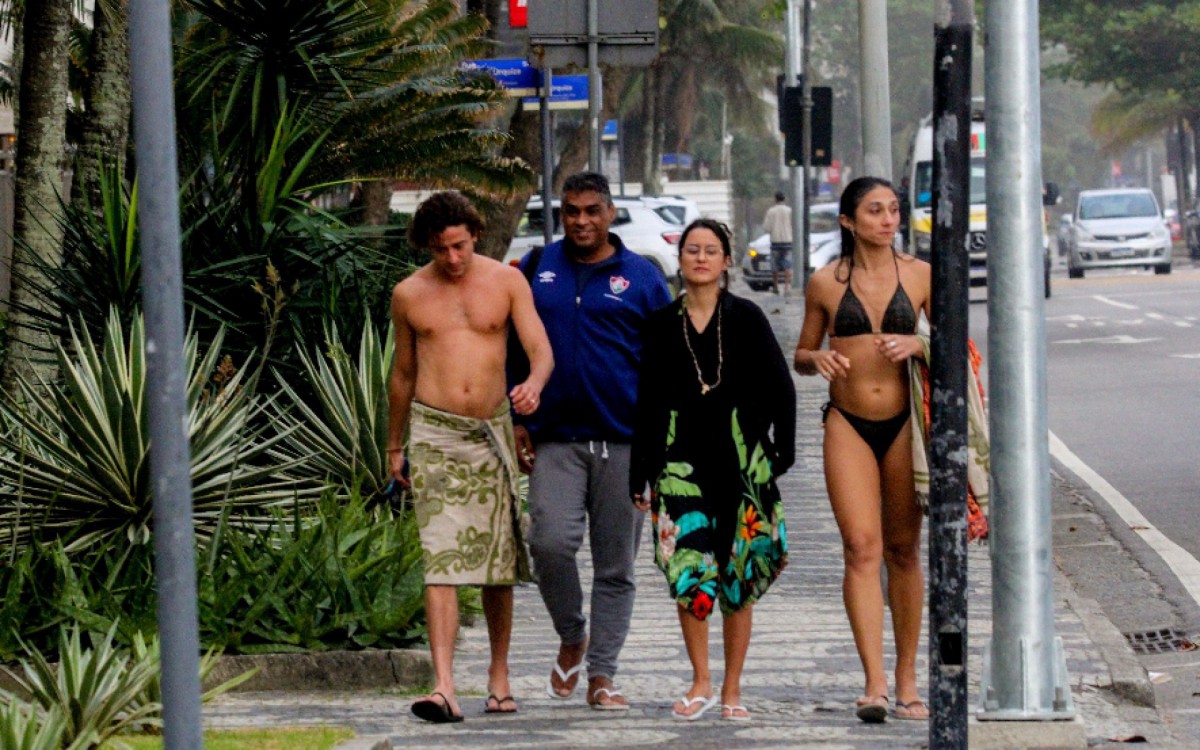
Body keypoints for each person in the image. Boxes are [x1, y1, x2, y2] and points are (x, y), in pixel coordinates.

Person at [388, 190, 553, 723]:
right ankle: (443, 687)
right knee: (440, 560)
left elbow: (539, 349)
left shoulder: (507, 281)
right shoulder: (409, 294)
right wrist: (395, 444)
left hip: (491, 431)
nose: (452, 259)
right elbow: (403, 375)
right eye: (440, 250)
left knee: (496, 564)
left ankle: (499, 675)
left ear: (475, 234)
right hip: (435, 434)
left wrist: (533, 384)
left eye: (458, 246)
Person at [512, 171, 672, 710]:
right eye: (571, 211)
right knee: (548, 542)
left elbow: (665, 365)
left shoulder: (643, 278)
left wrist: (659, 445)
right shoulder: (537, 270)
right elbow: (513, 350)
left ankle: (602, 674)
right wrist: (516, 420)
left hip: (625, 442)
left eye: (591, 211)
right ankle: (572, 631)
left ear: (610, 214)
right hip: (554, 437)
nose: (581, 221)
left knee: (616, 566)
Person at [630, 219, 794, 722]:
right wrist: (642, 471)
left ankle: (732, 687)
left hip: (741, 463)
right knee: (691, 573)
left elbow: (780, 386)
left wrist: (778, 451)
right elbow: (648, 402)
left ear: (726, 262)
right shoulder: (660, 324)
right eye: (692, 250)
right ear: (680, 259)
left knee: (738, 576)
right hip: (680, 465)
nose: (701, 258)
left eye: (711, 250)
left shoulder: (746, 317)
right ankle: (699, 679)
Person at [791, 176, 932, 723]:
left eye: (894, 210)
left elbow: (959, 342)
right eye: (875, 211)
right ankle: (872, 681)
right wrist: (815, 360)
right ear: (849, 221)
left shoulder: (920, 274)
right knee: (859, 547)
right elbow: (802, 350)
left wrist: (918, 342)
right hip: (847, 422)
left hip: (903, 424)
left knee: (903, 550)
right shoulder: (825, 283)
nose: (888, 219)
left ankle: (907, 677)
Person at [763, 191, 793, 295]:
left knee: (774, 265)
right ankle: (787, 286)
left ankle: (775, 286)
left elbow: (767, 227)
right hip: (788, 241)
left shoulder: (771, 211)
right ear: (784, 199)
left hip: (775, 242)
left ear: (775, 199)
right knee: (787, 265)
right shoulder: (789, 211)